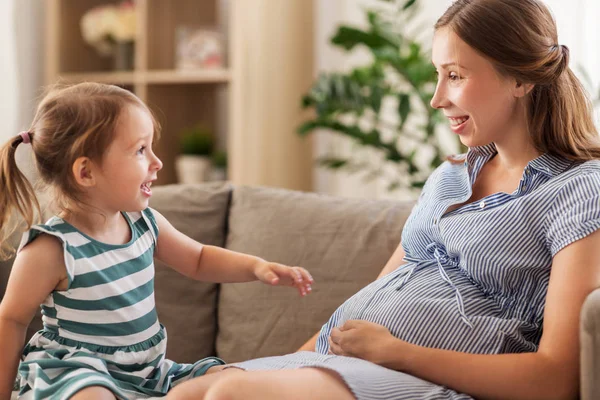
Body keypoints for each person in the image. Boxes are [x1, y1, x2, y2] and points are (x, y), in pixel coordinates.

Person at [164, 1, 600, 399]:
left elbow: (554, 379)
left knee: (228, 397)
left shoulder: (579, 190)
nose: (436, 98)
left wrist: (397, 352)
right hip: (347, 365)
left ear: (520, 77)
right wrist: (289, 362)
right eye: (437, 74)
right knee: (189, 393)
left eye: (455, 75)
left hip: (420, 379)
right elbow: (379, 294)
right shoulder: (449, 177)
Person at [0, 82, 314, 400]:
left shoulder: (145, 224)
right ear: (86, 173)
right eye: (140, 150)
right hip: (77, 374)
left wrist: (257, 267)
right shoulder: (52, 248)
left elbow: (200, 259)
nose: (157, 161)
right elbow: (11, 319)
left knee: (230, 379)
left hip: (149, 373)